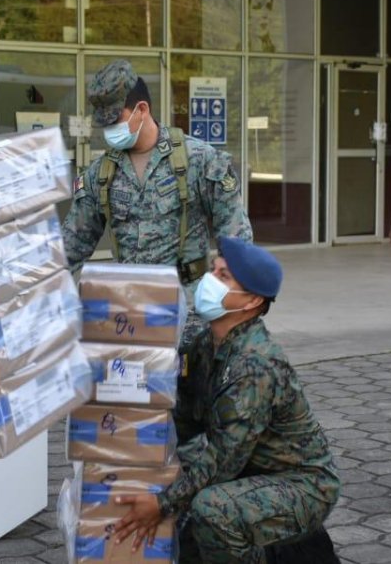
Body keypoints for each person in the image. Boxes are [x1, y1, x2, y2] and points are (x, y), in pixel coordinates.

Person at [112, 237, 340, 562]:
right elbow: (183, 416)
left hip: (302, 485)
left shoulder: (255, 365)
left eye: (224, 277)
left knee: (212, 509)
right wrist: (136, 452)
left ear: (251, 302)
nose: (209, 281)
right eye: (213, 270)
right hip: (255, 470)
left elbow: (222, 460)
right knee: (185, 482)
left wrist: (161, 504)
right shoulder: (208, 345)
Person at [62, 59, 252, 336]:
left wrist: (231, 301)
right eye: (103, 124)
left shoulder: (198, 160)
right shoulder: (99, 174)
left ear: (142, 110)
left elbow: (236, 236)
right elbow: (70, 246)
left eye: (115, 120)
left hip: (190, 315)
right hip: (129, 316)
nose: (108, 132)